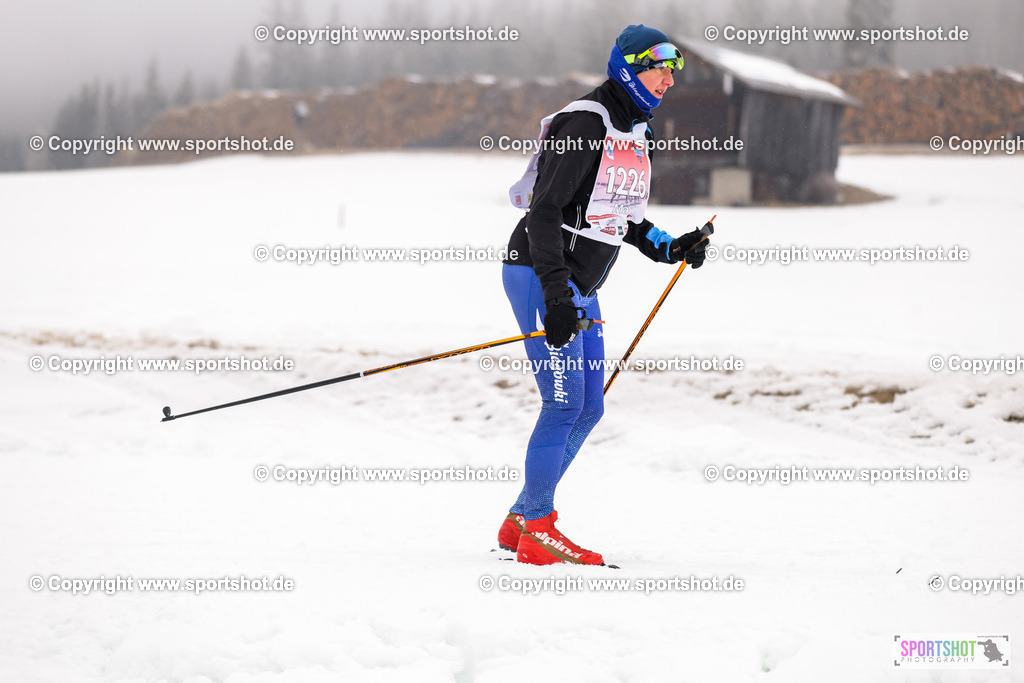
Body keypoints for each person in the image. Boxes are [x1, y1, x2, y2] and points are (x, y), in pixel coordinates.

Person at [499, 25, 712, 565]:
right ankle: (540, 532)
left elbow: (623, 217)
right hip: (540, 273)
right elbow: (543, 212)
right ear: (628, 67)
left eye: (673, 70)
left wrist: (671, 247)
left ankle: (523, 517)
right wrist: (555, 293)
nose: (668, 79)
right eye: (659, 67)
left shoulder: (632, 129)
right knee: (564, 401)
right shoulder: (585, 122)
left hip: (577, 285)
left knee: (590, 406)